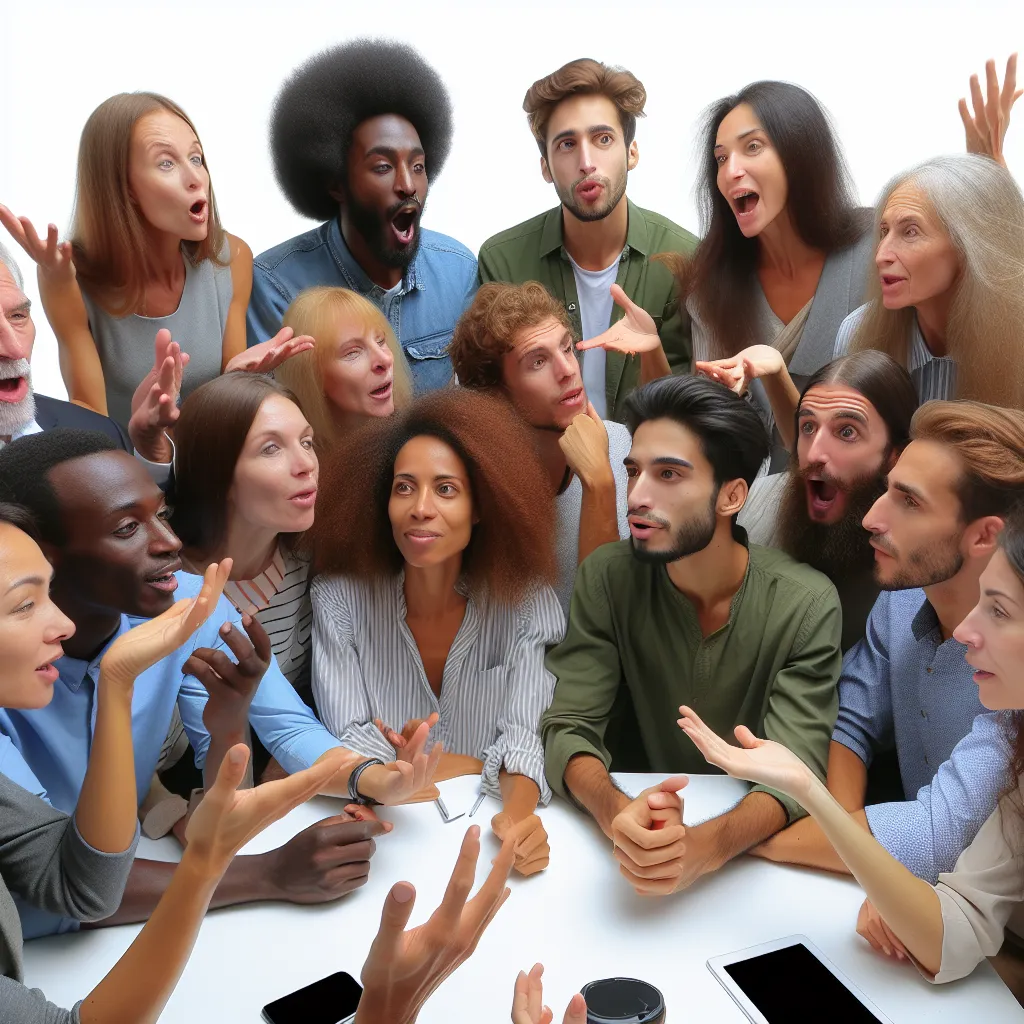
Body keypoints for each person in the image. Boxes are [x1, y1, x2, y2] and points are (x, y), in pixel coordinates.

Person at [0, 429, 440, 938]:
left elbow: (282, 732)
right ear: (39, 557)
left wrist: (371, 776)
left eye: (160, 515)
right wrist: (263, 875)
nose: (168, 544)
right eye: (127, 528)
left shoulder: (187, 601)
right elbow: (45, 891)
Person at [0, 504, 354, 1022]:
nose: (62, 623)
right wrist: (231, 867)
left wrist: (118, 686)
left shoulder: (184, 604)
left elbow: (85, 887)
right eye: (23, 605)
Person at [678, 496, 1024, 987]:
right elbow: (954, 933)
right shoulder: (1011, 727)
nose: (966, 631)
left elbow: (935, 856)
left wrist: (731, 842)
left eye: (999, 611)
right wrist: (805, 788)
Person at [541, 375, 842, 894]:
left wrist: (706, 848)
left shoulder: (807, 604)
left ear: (731, 496)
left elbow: (798, 771)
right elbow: (568, 727)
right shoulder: (607, 577)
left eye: (669, 474)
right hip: (614, 856)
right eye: (634, 471)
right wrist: (616, 813)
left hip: (758, 878)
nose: (637, 495)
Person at [750, 401, 1024, 891]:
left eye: (909, 501)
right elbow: (852, 719)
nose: (872, 517)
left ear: (984, 536)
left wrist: (746, 846)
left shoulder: (1013, 668)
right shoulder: (901, 602)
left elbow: (934, 839)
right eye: (887, 490)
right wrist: (841, 839)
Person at [309, 390, 565, 877]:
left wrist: (517, 819)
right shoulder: (338, 601)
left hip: (483, 842)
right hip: (388, 847)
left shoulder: (527, 604)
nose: (420, 508)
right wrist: (473, 764)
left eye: (445, 489)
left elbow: (525, 738)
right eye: (404, 487)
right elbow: (347, 740)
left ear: (481, 507)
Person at [0, 92, 299, 430]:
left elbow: (229, 413)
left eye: (196, 158)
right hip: (123, 473)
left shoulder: (233, 260)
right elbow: (90, 420)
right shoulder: (72, 280)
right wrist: (56, 279)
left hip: (210, 463)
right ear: (123, 186)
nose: (196, 178)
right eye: (167, 163)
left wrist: (239, 380)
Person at [249, 39, 476, 392]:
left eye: (418, 166)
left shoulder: (458, 271)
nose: (407, 185)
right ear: (337, 183)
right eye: (383, 166)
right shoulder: (278, 286)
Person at [477, 58, 696, 423]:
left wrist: (651, 351)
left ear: (632, 152)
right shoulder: (502, 261)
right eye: (566, 144)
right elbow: (494, 404)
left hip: (648, 472)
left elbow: (690, 418)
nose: (587, 162)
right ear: (545, 166)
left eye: (603, 139)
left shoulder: (685, 257)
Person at [449, 281, 630, 612]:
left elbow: (615, 624)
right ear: (495, 396)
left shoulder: (627, 450)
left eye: (565, 347)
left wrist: (600, 480)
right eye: (537, 362)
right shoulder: (477, 495)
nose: (567, 370)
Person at [726, 350, 919, 650]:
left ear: (895, 456)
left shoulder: (912, 573)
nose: (815, 453)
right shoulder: (760, 504)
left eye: (846, 432)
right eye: (808, 427)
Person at [835, 153, 1024, 409]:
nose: (881, 255)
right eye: (884, 232)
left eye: (910, 232)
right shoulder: (856, 333)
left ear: (971, 246)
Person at [171, 373, 319, 697]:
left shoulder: (309, 561)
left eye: (307, 442)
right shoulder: (166, 581)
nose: (306, 463)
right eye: (271, 448)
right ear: (216, 472)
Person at [0, 240, 176, 484]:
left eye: (17, 316)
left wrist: (150, 450)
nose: (15, 349)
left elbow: (151, 516)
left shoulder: (98, 433)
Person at [274, 286, 413, 452]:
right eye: (353, 353)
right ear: (313, 376)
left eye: (380, 341)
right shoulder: (300, 467)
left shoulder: (416, 445)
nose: (385, 360)